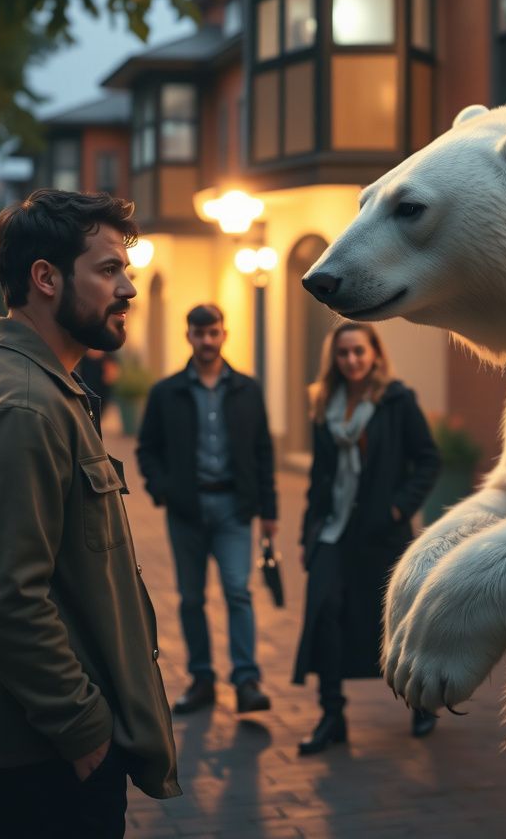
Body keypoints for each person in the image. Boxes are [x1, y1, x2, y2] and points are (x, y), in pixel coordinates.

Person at [0, 190, 180, 839]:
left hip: (32, 747)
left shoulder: (15, 380)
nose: (129, 289)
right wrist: (83, 727)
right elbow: (5, 599)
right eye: (110, 270)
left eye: (128, 271)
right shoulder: (22, 405)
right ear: (45, 278)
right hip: (42, 753)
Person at [293, 321, 440, 755]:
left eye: (359, 351)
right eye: (344, 354)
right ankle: (332, 715)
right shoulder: (324, 402)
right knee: (326, 616)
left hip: (381, 535)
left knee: (397, 621)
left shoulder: (397, 401)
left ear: (374, 353)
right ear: (334, 359)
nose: (352, 360)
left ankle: (421, 700)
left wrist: (398, 507)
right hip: (332, 532)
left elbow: (428, 460)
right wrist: (309, 532)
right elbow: (321, 477)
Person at [137, 303, 277, 716]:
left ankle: (247, 681)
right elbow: (148, 450)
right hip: (187, 510)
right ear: (189, 336)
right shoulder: (167, 392)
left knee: (238, 591)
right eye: (199, 334)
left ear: (223, 333)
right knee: (191, 597)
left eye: (213, 332)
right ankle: (201, 680)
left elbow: (264, 452)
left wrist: (269, 512)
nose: (207, 341)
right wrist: (163, 491)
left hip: (236, 508)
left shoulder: (247, 389)